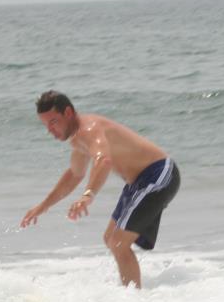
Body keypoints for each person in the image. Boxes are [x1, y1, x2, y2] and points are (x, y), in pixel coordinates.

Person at [20, 90, 180, 288]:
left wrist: (88, 195)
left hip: (159, 173)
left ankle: (135, 298)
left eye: (53, 122)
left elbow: (103, 160)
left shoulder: (89, 129)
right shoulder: (78, 140)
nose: (50, 130)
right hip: (138, 182)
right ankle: (131, 291)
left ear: (68, 113)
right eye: (46, 125)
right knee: (111, 239)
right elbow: (75, 174)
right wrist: (43, 206)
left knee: (119, 242)